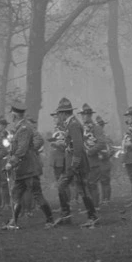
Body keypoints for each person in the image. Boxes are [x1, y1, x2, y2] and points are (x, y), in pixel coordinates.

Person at [1, 102, 56, 230]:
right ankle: (13, 221)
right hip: (21, 169)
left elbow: (22, 149)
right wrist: (30, 151)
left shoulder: (24, 128)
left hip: (29, 168)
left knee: (37, 194)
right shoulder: (19, 127)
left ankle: (50, 220)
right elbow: (23, 148)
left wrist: (11, 162)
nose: (11, 116)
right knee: (16, 195)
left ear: (15, 114)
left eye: (12, 114)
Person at [53, 97, 99, 228]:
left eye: (59, 114)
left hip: (76, 163)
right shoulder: (71, 123)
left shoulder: (73, 124)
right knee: (78, 189)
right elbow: (73, 144)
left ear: (63, 113)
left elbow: (78, 147)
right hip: (73, 162)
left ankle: (89, 216)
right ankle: (70, 215)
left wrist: (74, 165)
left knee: (79, 189)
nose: (58, 116)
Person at [79, 103, 106, 209]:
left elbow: (101, 143)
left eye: (85, 115)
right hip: (84, 161)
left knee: (93, 184)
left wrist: (90, 151)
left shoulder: (97, 128)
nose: (83, 117)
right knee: (87, 185)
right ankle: (90, 207)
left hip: (93, 161)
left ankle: (95, 206)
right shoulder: (81, 128)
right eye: (82, 114)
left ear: (90, 115)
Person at [96, 115, 113, 204]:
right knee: (102, 181)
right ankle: (104, 199)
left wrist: (105, 156)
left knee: (106, 181)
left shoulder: (106, 137)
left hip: (105, 162)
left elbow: (111, 150)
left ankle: (107, 199)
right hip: (98, 163)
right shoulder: (96, 137)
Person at [0, 116, 12, 210]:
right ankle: (4, 202)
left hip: (6, 160)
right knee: (2, 183)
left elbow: (7, 149)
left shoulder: (7, 135)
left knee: (6, 183)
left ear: (4, 126)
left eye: (0, 125)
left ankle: (7, 203)